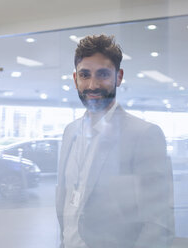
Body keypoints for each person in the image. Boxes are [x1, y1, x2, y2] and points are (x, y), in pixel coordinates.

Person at [56, 34, 174, 248]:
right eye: (85, 75)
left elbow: (158, 223)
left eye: (102, 74)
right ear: (75, 79)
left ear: (118, 77)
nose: (92, 85)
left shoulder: (144, 134)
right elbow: (66, 202)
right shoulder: (70, 132)